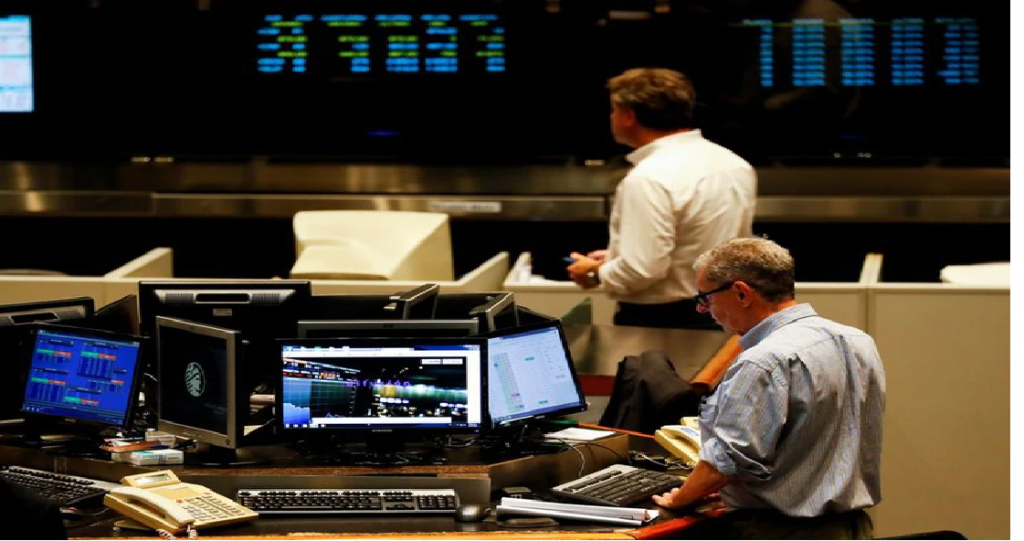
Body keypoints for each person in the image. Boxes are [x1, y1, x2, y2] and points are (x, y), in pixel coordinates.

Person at [652, 237, 886, 539]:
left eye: (705, 298)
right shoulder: (856, 340)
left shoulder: (763, 362)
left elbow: (723, 464)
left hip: (777, 531)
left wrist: (678, 499)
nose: (703, 309)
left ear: (741, 293)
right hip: (852, 528)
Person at [567, 67, 756, 329]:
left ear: (628, 116)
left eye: (613, 110)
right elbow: (701, 242)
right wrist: (619, 255)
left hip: (664, 322)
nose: (611, 117)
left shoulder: (647, 178)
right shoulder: (733, 164)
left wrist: (594, 271)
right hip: (725, 311)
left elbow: (642, 271)